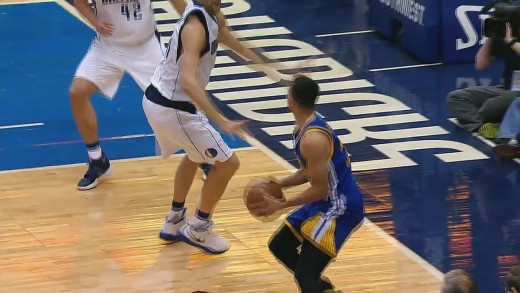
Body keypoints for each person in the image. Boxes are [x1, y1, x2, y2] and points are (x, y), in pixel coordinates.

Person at [143, 0, 280, 254]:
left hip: (162, 100)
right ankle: (199, 227)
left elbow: (232, 41)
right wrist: (221, 120)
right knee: (229, 163)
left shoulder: (213, 14)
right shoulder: (195, 27)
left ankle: (174, 220)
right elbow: (187, 82)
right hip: (175, 107)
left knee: (194, 156)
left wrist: (274, 66)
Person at [249, 75, 365, 292]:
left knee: (305, 275)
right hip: (327, 201)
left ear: (291, 100)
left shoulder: (313, 139)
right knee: (280, 245)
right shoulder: (304, 126)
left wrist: (281, 204)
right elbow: (309, 172)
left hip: (340, 207)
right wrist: (279, 184)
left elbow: (320, 189)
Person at [446, 22, 520, 139]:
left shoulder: (510, 39)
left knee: (491, 106)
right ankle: (482, 126)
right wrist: (491, 36)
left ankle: (498, 122)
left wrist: (511, 41)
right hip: (507, 88)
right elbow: (480, 64)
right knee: (456, 97)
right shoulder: (504, 36)